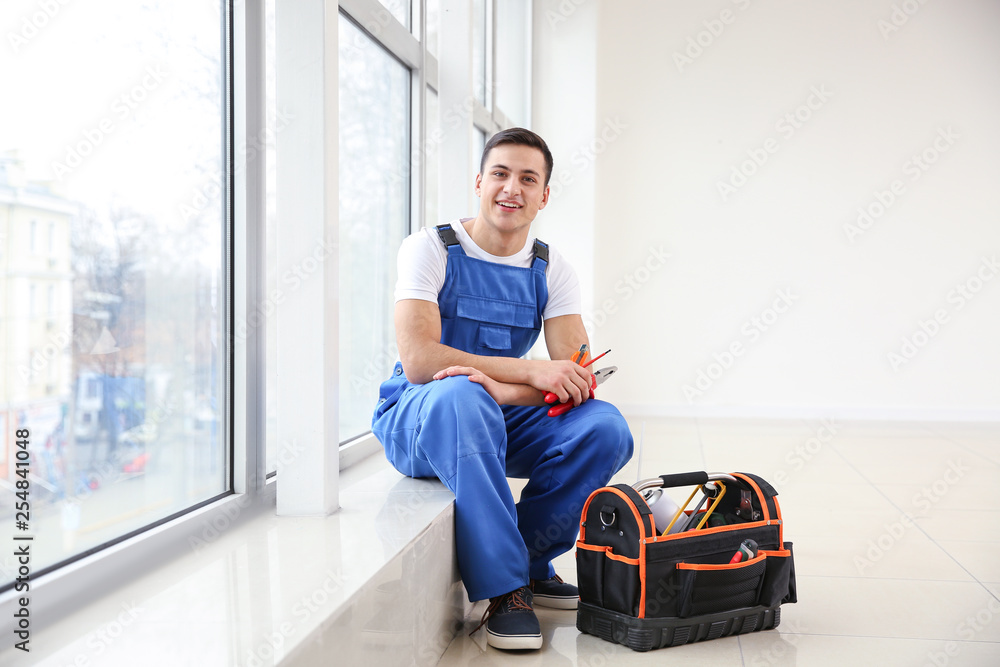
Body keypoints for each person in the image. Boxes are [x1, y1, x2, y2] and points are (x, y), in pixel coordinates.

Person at [371, 128, 633, 651]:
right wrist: (531, 372)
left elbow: (574, 380)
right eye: (500, 173)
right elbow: (421, 362)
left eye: (528, 178)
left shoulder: (552, 268)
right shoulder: (429, 248)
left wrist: (507, 387)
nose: (512, 187)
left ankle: (533, 561)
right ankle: (506, 589)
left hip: (496, 410)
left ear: (544, 195)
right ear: (480, 182)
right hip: (421, 416)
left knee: (604, 428)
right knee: (462, 397)